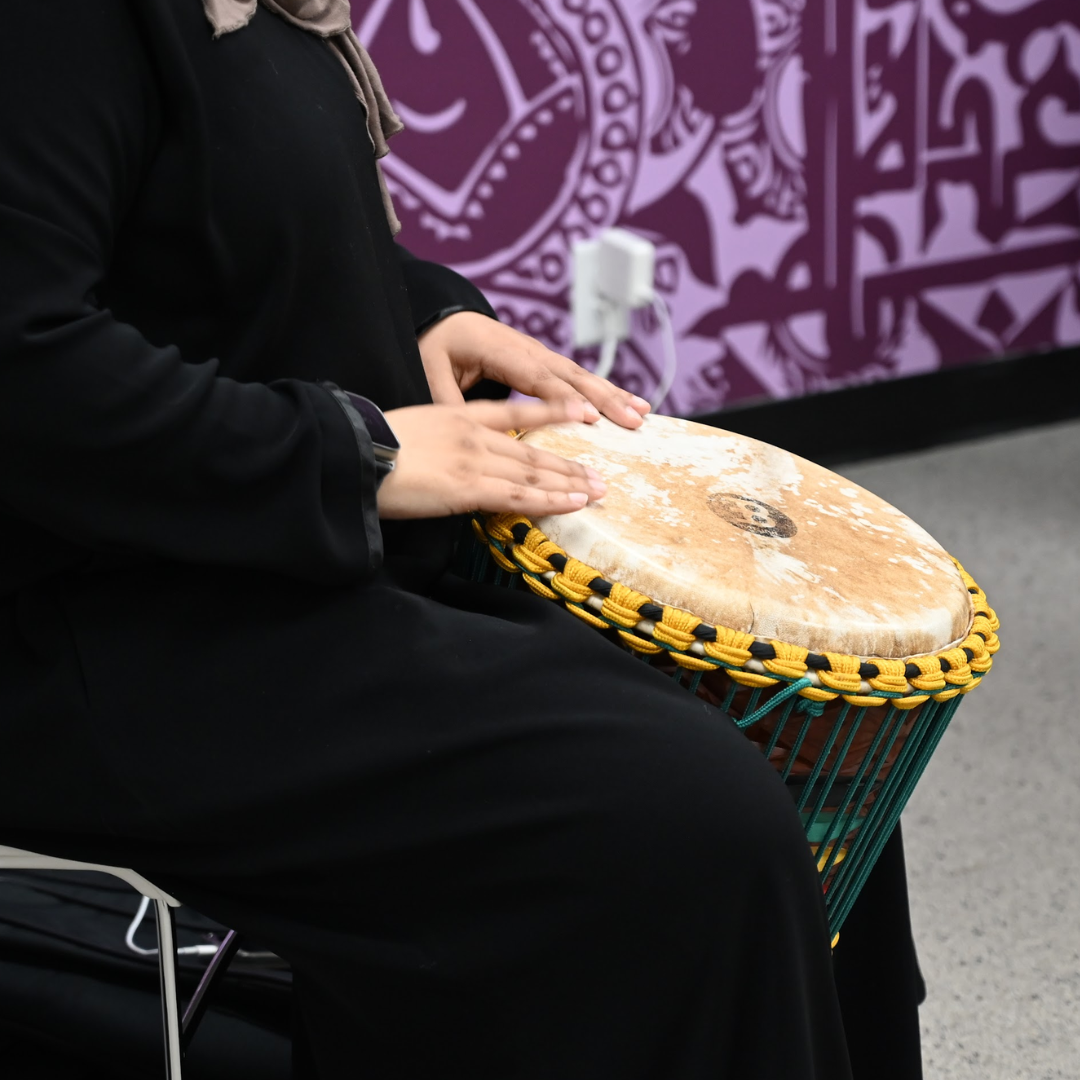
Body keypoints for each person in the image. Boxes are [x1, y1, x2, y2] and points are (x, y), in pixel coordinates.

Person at [0, 3, 914, 1077]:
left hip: (287, 549)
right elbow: (27, 364)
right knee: (700, 820)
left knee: (810, 738)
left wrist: (424, 309)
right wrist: (353, 453)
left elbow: (221, 241)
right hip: (105, 619)